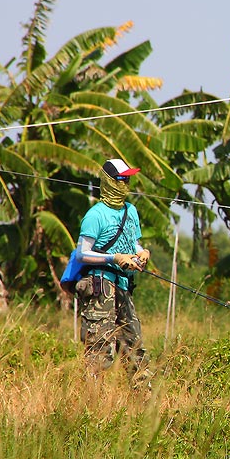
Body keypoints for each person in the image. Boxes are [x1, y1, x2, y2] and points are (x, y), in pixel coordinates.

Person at [74, 158, 152, 390]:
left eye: (128, 179)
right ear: (108, 181)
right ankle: (94, 404)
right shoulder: (95, 215)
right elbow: (82, 254)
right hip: (100, 285)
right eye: (121, 179)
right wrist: (113, 258)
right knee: (99, 350)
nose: (125, 184)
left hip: (124, 285)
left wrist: (141, 253)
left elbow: (133, 242)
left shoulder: (131, 211)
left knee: (134, 344)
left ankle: (144, 404)